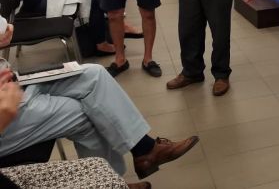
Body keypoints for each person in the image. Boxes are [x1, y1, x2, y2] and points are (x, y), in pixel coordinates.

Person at [0, 18, 198, 184]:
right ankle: (120, 175)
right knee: (86, 113)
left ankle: (143, 150)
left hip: (10, 80)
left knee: (94, 73)